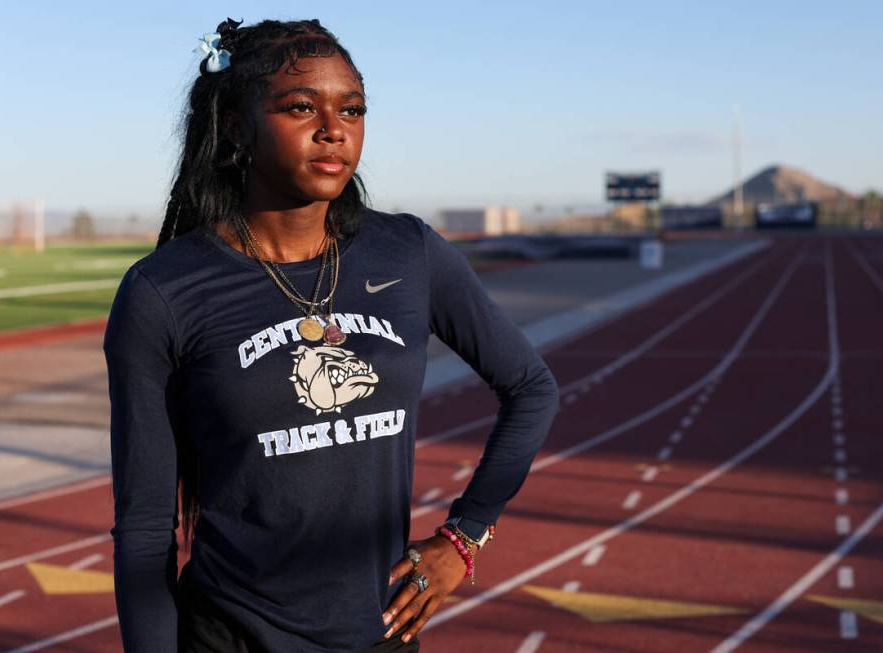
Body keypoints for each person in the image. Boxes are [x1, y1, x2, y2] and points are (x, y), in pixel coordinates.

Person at [103, 17, 560, 653]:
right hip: (229, 636)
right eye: (300, 107)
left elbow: (531, 387)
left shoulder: (407, 253)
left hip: (378, 634)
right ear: (236, 126)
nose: (334, 129)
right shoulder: (163, 291)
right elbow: (146, 525)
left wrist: (465, 536)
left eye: (352, 109)